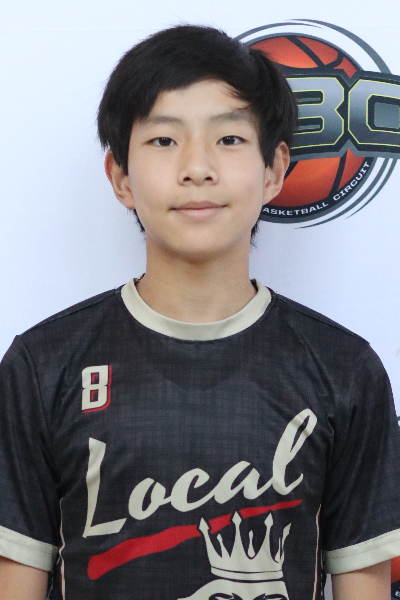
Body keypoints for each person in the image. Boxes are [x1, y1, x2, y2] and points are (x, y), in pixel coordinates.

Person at [0, 24, 399, 600]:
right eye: (164, 140)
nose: (197, 167)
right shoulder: (44, 366)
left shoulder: (344, 369)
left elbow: (363, 582)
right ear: (120, 177)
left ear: (274, 170)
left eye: (229, 139)